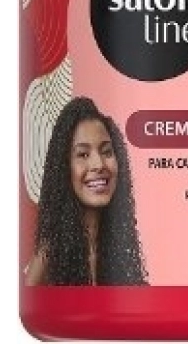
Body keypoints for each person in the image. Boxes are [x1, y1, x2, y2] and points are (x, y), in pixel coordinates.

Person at [25, 97, 148, 285]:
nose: (98, 164)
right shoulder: (49, 254)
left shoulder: (122, 249)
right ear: (64, 167)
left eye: (106, 152)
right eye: (83, 154)